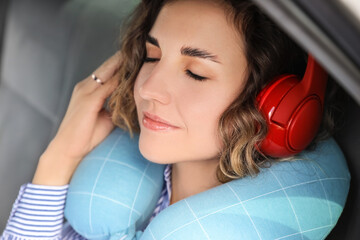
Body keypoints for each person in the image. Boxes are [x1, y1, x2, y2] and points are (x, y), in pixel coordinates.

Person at [0, 0, 337, 239]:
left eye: (195, 73)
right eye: (152, 56)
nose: (149, 88)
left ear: (275, 105)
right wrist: (60, 156)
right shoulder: (106, 205)